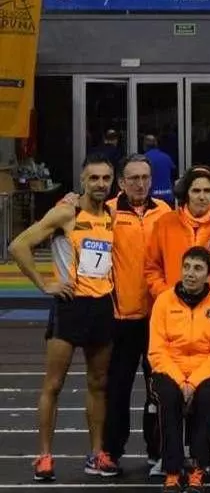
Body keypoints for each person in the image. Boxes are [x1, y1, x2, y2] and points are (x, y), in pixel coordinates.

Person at [8, 154, 117, 481]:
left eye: (105, 178)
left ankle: (96, 454)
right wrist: (45, 284)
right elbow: (18, 246)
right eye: (93, 178)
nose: (100, 184)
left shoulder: (111, 214)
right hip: (70, 306)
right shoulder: (67, 212)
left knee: (98, 383)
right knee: (53, 384)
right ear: (82, 180)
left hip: (102, 306)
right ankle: (44, 456)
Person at [101, 154, 172, 472]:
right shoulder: (108, 212)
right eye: (133, 178)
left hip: (158, 317)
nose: (141, 184)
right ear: (121, 182)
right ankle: (111, 451)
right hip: (122, 317)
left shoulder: (165, 211)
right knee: (118, 389)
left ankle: (156, 451)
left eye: (145, 178)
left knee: (158, 389)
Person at [148, 246, 210, 493]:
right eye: (186, 267)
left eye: (197, 268)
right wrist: (179, 379)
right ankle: (172, 471)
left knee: (208, 399)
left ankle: (198, 469)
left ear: (209, 275)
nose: (190, 273)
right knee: (168, 398)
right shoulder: (164, 301)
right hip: (169, 369)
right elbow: (156, 350)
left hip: (205, 371)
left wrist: (194, 381)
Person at [145, 168, 210, 298]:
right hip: (173, 305)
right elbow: (152, 269)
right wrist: (166, 296)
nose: (202, 197)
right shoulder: (165, 223)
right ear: (186, 193)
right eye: (196, 191)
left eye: (207, 191)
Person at [144, 135, 176, 206]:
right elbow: (173, 173)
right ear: (156, 144)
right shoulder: (166, 157)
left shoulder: (144, 159)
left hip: (152, 197)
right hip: (168, 196)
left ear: (145, 146)